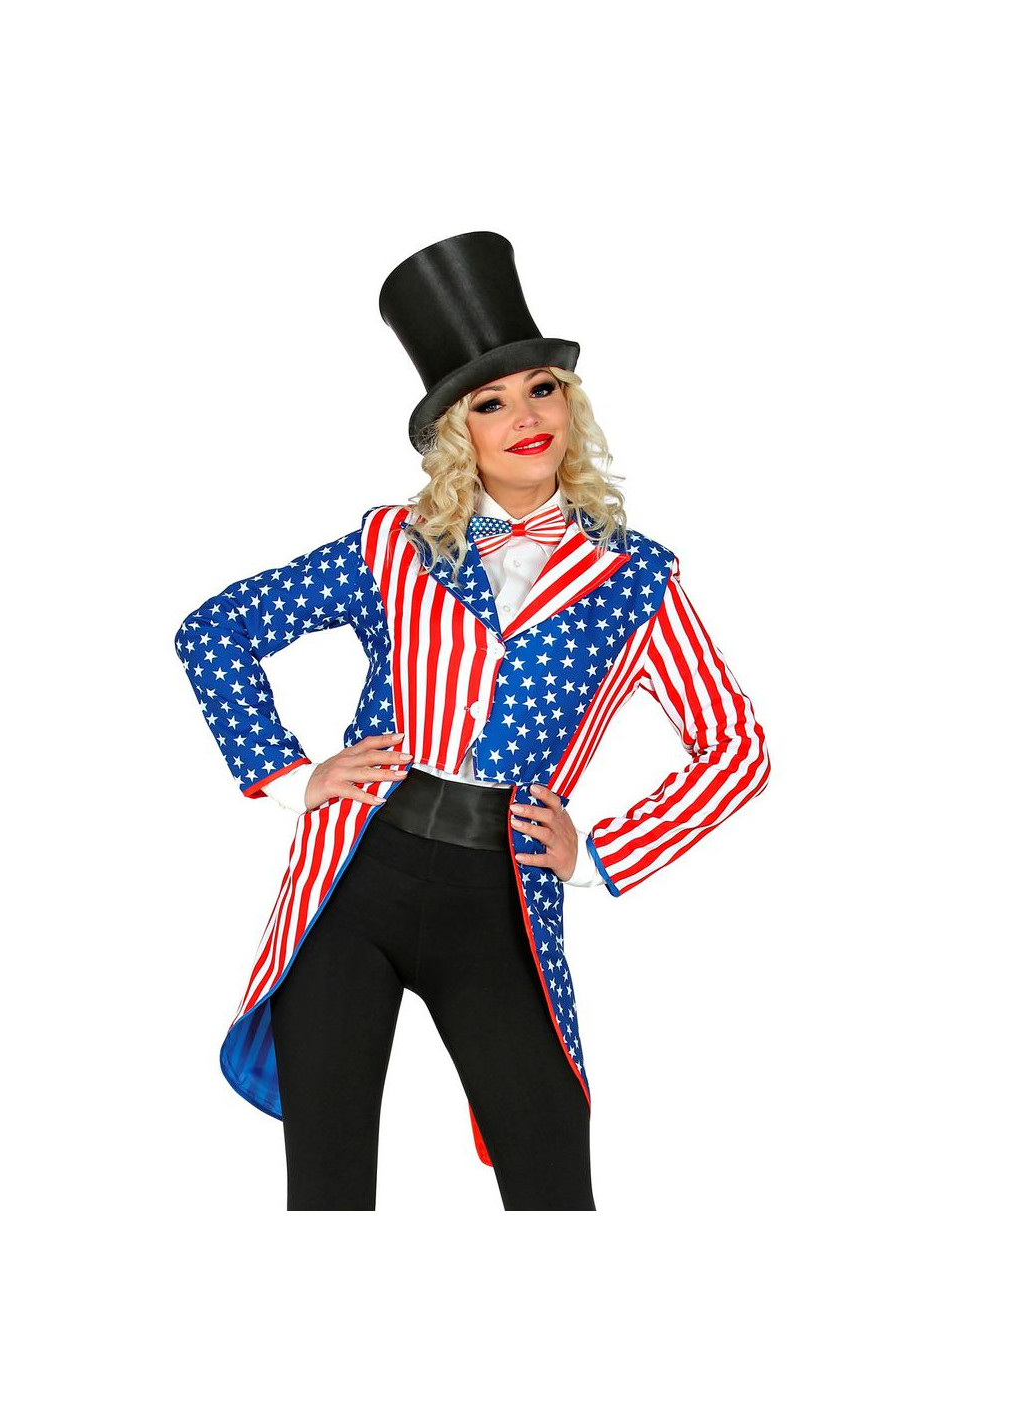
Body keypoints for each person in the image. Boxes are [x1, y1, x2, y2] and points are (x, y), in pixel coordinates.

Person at [173, 231, 771, 1210]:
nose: (524, 417)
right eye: (489, 403)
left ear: (569, 404)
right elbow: (214, 631)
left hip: (503, 897)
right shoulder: (394, 543)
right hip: (354, 881)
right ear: (459, 432)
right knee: (328, 1195)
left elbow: (733, 747)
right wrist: (291, 776)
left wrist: (599, 851)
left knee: (551, 1188)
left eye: (541, 389)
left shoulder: (635, 579)